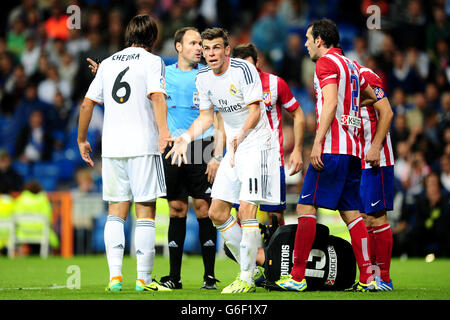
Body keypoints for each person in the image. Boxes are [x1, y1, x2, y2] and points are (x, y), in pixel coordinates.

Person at [87, 26, 224, 290]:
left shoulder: (208, 76)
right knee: (176, 209)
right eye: (194, 43)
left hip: (201, 144)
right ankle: (174, 277)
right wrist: (105, 70)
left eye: (201, 44)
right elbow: (133, 83)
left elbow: (217, 117)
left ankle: (209, 276)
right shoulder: (163, 72)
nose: (199, 48)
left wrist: (217, 154)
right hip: (172, 146)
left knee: (205, 209)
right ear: (178, 47)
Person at [166, 27, 281, 294]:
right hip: (234, 148)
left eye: (216, 48)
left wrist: (240, 135)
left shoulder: (243, 70)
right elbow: (207, 118)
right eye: (206, 49)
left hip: (256, 145)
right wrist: (185, 138)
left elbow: (255, 110)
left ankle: (245, 277)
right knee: (216, 213)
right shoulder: (203, 76)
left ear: (227, 49)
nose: (210, 54)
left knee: (246, 212)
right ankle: (251, 269)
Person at [275, 18, 379, 292]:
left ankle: (297, 277)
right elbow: (370, 97)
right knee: (352, 214)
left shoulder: (325, 64)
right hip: (354, 151)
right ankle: (369, 278)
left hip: (332, 150)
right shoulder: (353, 66)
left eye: (309, 39)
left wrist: (318, 142)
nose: (306, 43)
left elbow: (331, 101)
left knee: (305, 207)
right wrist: (351, 111)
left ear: (320, 40)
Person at [77, 14, 171, 293]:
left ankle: (115, 278)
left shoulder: (107, 63)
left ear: (128, 35)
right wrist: (164, 131)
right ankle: (143, 279)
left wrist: (82, 140)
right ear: (152, 38)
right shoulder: (154, 62)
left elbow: (86, 105)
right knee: (145, 212)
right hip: (143, 145)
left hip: (113, 148)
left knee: (115, 212)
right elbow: (156, 96)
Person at [231, 43, 305, 226]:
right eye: (239, 67)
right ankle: (254, 255)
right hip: (242, 158)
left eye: (248, 66)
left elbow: (298, 114)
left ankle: (277, 254)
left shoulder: (275, 83)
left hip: (271, 159)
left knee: (275, 217)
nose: (244, 71)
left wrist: (297, 150)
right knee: (242, 213)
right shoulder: (230, 87)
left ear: (257, 62)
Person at [354, 62, 395, 291]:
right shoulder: (340, 82)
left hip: (376, 158)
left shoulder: (365, 75)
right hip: (357, 159)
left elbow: (387, 111)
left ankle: (384, 278)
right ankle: (369, 276)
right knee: (363, 218)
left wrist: (376, 147)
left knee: (376, 217)